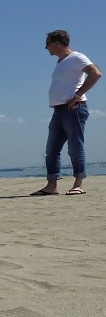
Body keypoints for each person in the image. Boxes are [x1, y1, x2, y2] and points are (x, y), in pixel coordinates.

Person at [32, 30, 101, 196]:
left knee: (75, 147)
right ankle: (52, 185)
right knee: (52, 149)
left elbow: (95, 73)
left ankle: (78, 184)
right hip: (58, 111)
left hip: (73, 110)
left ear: (57, 43)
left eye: (47, 43)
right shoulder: (61, 62)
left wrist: (77, 96)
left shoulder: (76, 57)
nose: (46, 47)